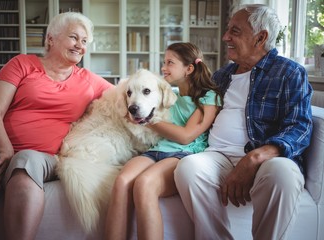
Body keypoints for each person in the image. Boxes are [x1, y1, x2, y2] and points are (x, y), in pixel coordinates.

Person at [0, 12, 113, 239]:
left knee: (25, 163)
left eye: (84, 41)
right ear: (51, 38)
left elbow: (126, 97)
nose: (80, 46)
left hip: (43, 155)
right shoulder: (22, 64)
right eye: (74, 37)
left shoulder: (89, 80)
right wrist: (5, 150)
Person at [174, 4, 313, 240]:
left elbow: (299, 127)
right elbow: (194, 110)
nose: (225, 37)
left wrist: (254, 157)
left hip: (266, 159)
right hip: (217, 155)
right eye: (228, 30)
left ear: (261, 38)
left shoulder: (289, 73)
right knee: (188, 168)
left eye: (235, 32)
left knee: (283, 175)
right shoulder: (222, 75)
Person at [104, 42, 222, 240]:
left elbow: (186, 136)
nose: (163, 68)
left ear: (189, 68)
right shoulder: (171, 96)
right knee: (122, 181)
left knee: (144, 184)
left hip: (183, 154)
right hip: (157, 150)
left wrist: (146, 120)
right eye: (164, 62)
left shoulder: (208, 97)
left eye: (170, 62)